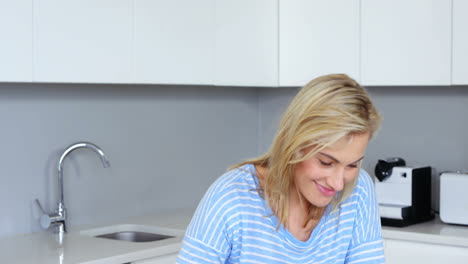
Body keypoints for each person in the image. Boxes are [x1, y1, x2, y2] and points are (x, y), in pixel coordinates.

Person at [177, 74, 384, 263]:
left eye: (352, 165)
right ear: (293, 143)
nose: (338, 183)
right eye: (326, 162)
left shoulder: (358, 191)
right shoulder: (231, 198)